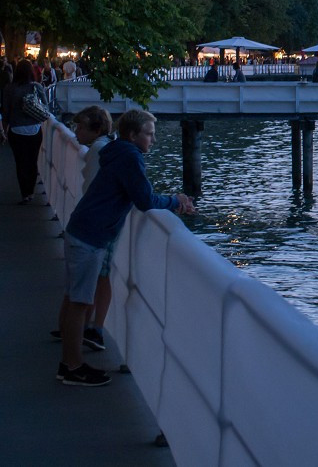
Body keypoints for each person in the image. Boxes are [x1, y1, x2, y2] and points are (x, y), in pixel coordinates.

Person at [58, 109, 195, 386]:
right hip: (89, 236)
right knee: (79, 302)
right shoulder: (130, 157)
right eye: (149, 134)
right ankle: (71, 367)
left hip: (85, 231)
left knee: (75, 298)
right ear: (133, 135)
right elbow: (144, 199)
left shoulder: (117, 151)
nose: (153, 140)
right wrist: (175, 200)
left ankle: (71, 362)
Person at [52, 106, 114, 351]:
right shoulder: (104, 150)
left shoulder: (98, 151)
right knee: (92, 283)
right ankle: (79, 349)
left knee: (77, 287)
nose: (76, 131)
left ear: (96, 130)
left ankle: (71, 332)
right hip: (96, 227)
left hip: (86, 224)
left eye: (80, 127)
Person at [2, 59, 48, 204]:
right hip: (34, 129)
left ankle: (24, 194)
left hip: (16, 129)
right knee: (32, 160)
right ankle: (31, 191)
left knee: (20, 162)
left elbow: (6, 111)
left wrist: (4, 130)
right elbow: (45, 107)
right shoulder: (36, 86)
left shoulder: (9, 88)